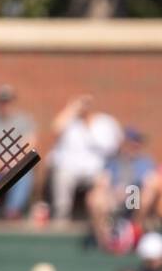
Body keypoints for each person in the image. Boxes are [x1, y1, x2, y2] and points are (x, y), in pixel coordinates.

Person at [49, 94, 122, 223]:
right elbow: (55, 129)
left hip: (97, 171)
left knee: (105, 181)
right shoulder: (70, 122)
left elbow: (114, 147)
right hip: (69, 170)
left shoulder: (104, 123)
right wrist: (71, 109)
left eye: (87, 104)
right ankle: (61, 219)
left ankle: (107, 220)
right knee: (62, 177)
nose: (84, 107)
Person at [0, 84, 38, 220]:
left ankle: (13, 211)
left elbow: (30, 144)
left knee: (25, 173)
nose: (4, 104)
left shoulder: (24, 120)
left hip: (16, 163)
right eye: (1, 100)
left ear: (13, 101)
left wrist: (12, 162)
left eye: (7, 100)